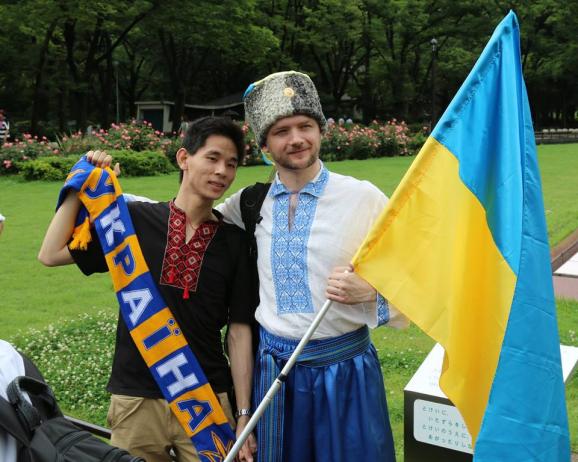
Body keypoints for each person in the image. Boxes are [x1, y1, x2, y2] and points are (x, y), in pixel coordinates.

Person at [38, 116, 258, 462]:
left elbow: (239, 332)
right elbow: (50, 254)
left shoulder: (236, 243)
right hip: (135, 398)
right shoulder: (134, 221)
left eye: (231, 164)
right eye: (212, 158)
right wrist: (79, 183)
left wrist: (244, 414)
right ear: (184, 158)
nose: (222, 172)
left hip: (207, 400)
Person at [217, 71, 408, 461]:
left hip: (345, 375)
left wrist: (371, 291)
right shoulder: (249, 204)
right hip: (274, 377)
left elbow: (418, 273)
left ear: (321, 130)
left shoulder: (363, 198)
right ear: (265, 145)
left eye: (305, 126)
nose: (296, 139)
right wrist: (103, 185)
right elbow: (183, 217)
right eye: (281, 131)